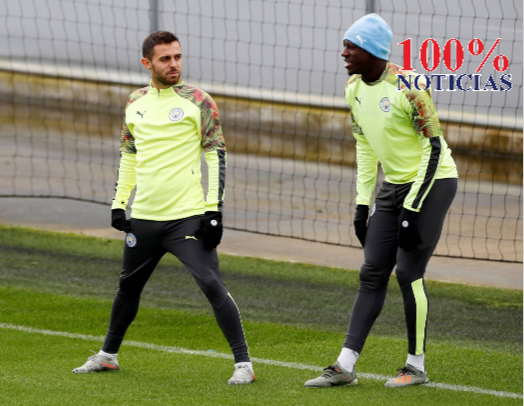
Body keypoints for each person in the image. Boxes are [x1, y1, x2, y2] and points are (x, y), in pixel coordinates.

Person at [72, 30, 255, 385]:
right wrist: (118, 204)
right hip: (144, 219)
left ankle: (243, 363)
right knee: (127, 288)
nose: (174, 64)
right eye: (165, 59)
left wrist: (213, 211)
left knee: (212, 285)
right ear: (147, 63)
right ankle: (108, 356)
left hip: (186, 218)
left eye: (178, 57)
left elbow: (215, 153)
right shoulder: (134, 102)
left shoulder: (199, 101)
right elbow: (129, 154)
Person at [304, 14, 458, 388]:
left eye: (351, 46)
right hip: (393, 188)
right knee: (371, 272)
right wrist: (361, 204)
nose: (343, 53)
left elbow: (433, 149)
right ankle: (344, 366)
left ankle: (415, 366)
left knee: (407, 273)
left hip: (432, 183)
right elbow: (364, 146)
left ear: (371, 50)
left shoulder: (409, 86)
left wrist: (412, 208)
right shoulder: (353, 88)